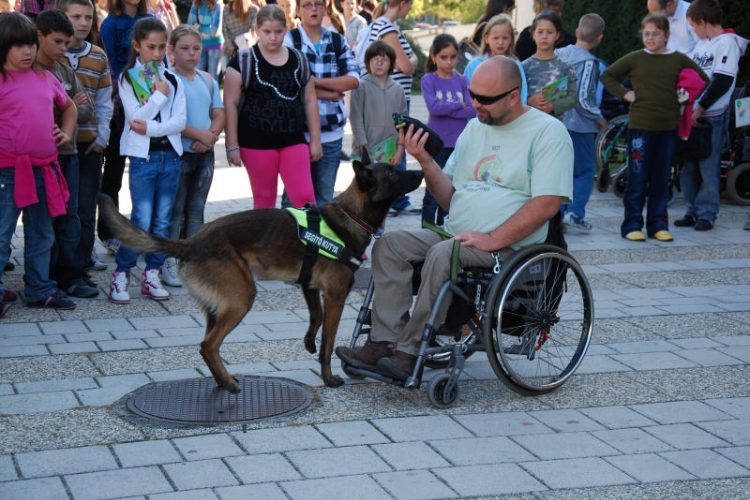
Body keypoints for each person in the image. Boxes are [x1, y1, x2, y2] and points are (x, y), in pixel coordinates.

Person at [336, 55, 573, 380]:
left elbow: (547, 204)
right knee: (390, 244)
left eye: (485, 99)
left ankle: (411, 350)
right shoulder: (475, 128)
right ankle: (383, 342)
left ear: (513, 96)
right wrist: (426, 161)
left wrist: (492, 239)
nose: (474, 104)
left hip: (507, 247)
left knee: (444, 252)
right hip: (458, 234)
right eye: (472, 95)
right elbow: (449, 197)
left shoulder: (548, 133)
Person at [601, 13, 708, 242]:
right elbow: (607, 75)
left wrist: (685, 96)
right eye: (646, 34)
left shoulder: (678, 59)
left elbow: (701, 78)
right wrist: (625, 94)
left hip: (668, 128)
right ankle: (632, 224)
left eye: (656, 34)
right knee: (638, 178)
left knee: (661, 179)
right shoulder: (635, 58)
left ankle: (658, 224)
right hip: (640, 127)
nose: (650, 38)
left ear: (667, 36)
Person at [0, 11, 79, 315]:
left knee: (42, 234)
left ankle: (39, 289)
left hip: (45, 169)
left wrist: (66, 132)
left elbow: (69, 108)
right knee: (2, 233)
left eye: (30, 45)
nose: (28, 51)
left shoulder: (45, 77)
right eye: (18, 46)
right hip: (7, 172)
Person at [109, 17, 187, 303]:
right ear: (136, 46)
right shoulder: (128, 78)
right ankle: (121, 273)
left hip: (171, 157)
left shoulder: (173, 79)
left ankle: (152, 272)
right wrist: (158, 97)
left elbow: (179, 122)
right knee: (141, 219)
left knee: (163, 221)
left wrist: (154, 126)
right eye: (150, 47)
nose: (156, 53)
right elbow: (135, 120)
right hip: (143, 159)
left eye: (161, 47)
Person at [223, 4, 321, 208]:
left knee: (305, 197)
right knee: (265, 199)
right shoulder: (243, 61)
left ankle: (308, 239)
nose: (273, 37)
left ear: (286, 30)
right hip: (255, 142)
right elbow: (230, 104)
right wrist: (231, 145)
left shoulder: (299, 59)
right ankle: (265, 241)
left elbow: (310, 100)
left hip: (293, 139)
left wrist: (315, 140)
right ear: (257, 30)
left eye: (278, 32)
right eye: (267, 32)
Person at [35, 9, 99, 299]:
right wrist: (66, 104)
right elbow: (36, 111)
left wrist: (68, 106)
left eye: (67, 42)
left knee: (70, 217)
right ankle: (43, 278)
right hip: (40, 158)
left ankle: (70, 276)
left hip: (69, 154)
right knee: (44, 220)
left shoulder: (64, 70)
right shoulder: (30, 70)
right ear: (39, 37)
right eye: (59, 42)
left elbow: (86, 109)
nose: (64, 49)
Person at [674, 0, 748, 232]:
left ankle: (707, 213)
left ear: (703, 23)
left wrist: (700, 108)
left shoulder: (727, 43)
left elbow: (722, 81)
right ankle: (691, 210)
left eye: (693, 25)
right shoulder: (703, 44)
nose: (692, 31)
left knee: (708, 165)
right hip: (691, 114)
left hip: (711, 116)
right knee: (688, 165)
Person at [161, 25, 225, 286]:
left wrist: (210, 134)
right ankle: (170, 259)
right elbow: (171, 118)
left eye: (196, 48)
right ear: (172, 50)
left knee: (196, 209)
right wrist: (201, 135)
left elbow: (219, 112)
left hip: (204, 155)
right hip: (179, 155)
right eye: (185, 48)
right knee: (176, 210)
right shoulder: (166, 80)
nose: (191, 53)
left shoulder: (207, 80)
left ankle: (194, 259)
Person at [285, 0, 359, 205]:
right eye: (307, 5)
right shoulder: (289, 42)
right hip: (298, 135)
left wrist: (315, 82)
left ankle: (319, 238)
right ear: (298, 10)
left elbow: (353, 79)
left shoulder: (337, 40)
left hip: (332, 135)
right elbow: (288, 85)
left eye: (318, 4)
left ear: (325, 8)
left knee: (325, 199)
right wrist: (328, 93)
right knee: (293, 201)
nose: (314, 9)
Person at [59, 0, 114, 274]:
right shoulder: (51, 55)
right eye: (76, 16)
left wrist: (102, 136)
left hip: (90, 143)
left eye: (88, 17)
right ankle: (61, 259)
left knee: (85, 204)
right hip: (58, 145)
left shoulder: (98, 56)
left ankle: (84, 254)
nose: (83, 23)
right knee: (62, 205)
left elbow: (105, 102)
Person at [98, 0, 152, 256]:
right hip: (119, 107)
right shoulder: (110, 24)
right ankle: (109, 232)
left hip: (149, 105)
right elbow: (107, 65)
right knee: (113, 173)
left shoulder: (148, 19)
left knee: (147, 170)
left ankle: (146, 232)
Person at [556, 13, 606, 233]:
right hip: (580, 126)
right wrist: (599, 118)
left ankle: (558, 213)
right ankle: (575, 214)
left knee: (563, 171)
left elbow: (553, 89)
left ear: (576, 32)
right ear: (600, 38)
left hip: (559, 122)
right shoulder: (589, 62)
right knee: (585, 171)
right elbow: (584, 97)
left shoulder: (560, 54)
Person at [367, 0, 419, 215]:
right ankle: (391, 199)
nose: (410, 9)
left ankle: (396, 198)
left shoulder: (385, 25)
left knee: (396, 146)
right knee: (393, 148)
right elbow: (405, 66)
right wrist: (414, 58)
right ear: (404, 3)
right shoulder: (387, 27)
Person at [420, 34, 475, 226]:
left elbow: (472, 109)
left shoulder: (462, 80)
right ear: (433, 57)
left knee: (453, 188)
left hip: (459, 143)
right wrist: (457, 105)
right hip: (438, 143)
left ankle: (447, 227)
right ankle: (427, 228)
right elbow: (434, 108)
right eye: (444, 57)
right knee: (434, 189)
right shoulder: (429, 80)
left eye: (453, 57)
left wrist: (449, 110)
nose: (449, 62)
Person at [349, 41, 406, 172]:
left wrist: (400, 149)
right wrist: (364, 148)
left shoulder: (398, 89)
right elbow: (356, 119)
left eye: (384, 60)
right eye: (375, 59)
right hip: (366, 151)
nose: (379, 63)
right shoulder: (361, 87)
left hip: (392, 153)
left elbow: (403, 122)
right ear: (368, 62)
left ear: (391, 63)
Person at [463, 13, 528, 105]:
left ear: (511, 39)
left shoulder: (516, 66)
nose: (500, 42)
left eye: (505, 38)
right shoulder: (474, 65)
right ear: (486, 38)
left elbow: (522, 97)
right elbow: (466, 95)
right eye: (495, 38)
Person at [523, 10, 578, 118]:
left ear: (557, 35)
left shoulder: (565, 66)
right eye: (540, 32)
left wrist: (552, 106)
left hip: (555, 125)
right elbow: (514, 96)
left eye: (549, 32)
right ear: (533, 34)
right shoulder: (523, 67)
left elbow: (573, 97)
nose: (544, 36)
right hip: (528, 124)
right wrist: (529, 101)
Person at [221, 0, 263, 76]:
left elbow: (254, 32)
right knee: (229, 80)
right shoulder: (226, 9)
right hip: (228, 52)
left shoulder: (254, 10)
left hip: (247, 52)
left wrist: (242, 47)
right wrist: (233, 50)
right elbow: (225, 31)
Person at [188, 0, 223, 80]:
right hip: (200, 45)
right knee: (197, 76)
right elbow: (190, 25)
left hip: (215, 45)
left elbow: (215, 31)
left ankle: (213, 93)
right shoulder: (196, 2)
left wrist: (199, 28)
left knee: (213, 78)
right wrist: (206, 29)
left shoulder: (218, 4)